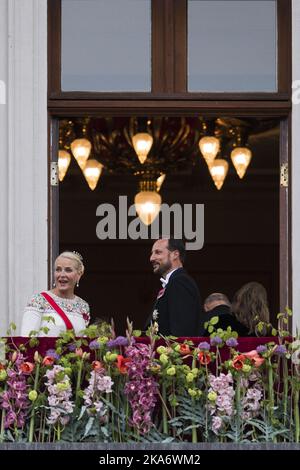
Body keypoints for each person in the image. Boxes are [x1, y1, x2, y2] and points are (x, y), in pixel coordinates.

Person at [21, 251, 90, 336]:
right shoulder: (38, 300)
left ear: (79, 275)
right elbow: (26, 341)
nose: (62, 274)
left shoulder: (83, 306)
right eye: (58, 269)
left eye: (68, 270)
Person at [146, 238, 203, 337]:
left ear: (175, 255)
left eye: (158, 252)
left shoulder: (180, 282)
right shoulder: (174, 282)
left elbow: (182, 332)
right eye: (152, 253)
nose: (151, 258)